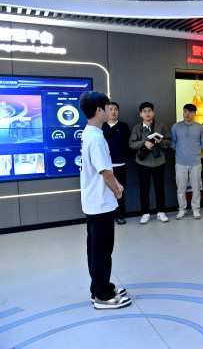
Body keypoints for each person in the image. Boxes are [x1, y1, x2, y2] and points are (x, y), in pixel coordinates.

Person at [79, 91, 131, 310]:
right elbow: (105, 172)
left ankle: (99, 287)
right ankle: (102, 295)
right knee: (101, 251)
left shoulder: (89, 133)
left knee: (95, 249)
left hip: (93, 201)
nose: (110, 110)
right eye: (108, 107)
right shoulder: (97, 138)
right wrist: (117, 189)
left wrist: (115, 184)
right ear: (99, 110)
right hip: (100, 203)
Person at [129, 102, 172, 224]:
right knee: (144, 189)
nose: (147, 113)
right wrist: (144, 143)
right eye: (144, 111)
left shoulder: (161, 126)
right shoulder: (136, 128)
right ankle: (145, 213)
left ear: (153, 112)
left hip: (159, 162)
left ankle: (161, 212)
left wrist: (161, 141)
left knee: (160, 188)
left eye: (149, 111)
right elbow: (131, 144)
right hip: (142, 163)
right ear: (140, 114)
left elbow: (169, 142)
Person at [171, 104, 203, 220]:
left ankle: (196, 209)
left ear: (194, 113)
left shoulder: (200, 128)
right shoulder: (175, 127)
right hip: (180, 162)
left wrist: (194, 153)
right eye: (185, 111)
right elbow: (173, 144)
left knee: (196, 188)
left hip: (195, 162)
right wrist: (182, 153)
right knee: (181, 188)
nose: (187, 114)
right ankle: (182, 210)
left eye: (190, 112)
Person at [102, 101, 130, 225]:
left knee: (120, 190)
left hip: (120, 164)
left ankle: (120, 215)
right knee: (104, 191)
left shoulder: (123, 126)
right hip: (104, 166)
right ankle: (107, 216)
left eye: (115, 109)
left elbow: (128, 144)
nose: (113, 112)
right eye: (110, 109)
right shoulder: (101, 126)